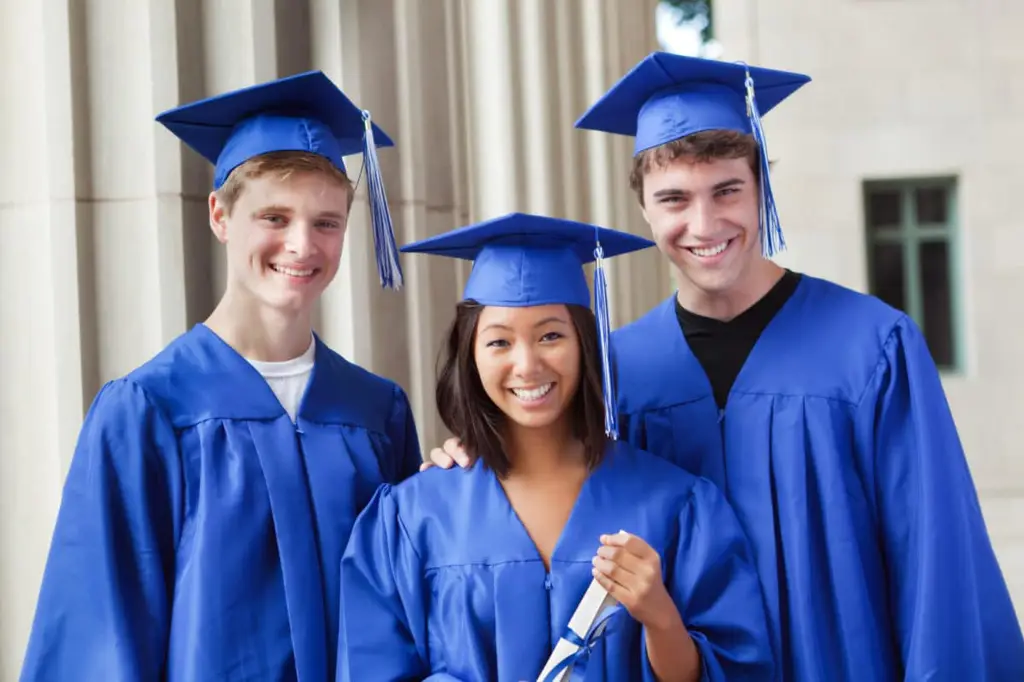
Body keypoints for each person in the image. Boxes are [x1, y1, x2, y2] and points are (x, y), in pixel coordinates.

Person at [431, 53, 1024, 680]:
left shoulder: (872, 347)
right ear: (644, 209)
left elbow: (936, 561)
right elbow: (546, 497)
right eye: (674, 199)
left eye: (727, 190)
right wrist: (471, 453)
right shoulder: (614, 371)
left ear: (762, 184)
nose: (704, 223)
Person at [20, 71, 421, 682]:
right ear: (220, 215)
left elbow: (413, 608)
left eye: (326, 222)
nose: (301, 245)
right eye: (275, 217)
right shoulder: (149, 409)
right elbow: (98, 633)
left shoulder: (377, 412)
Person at [337, 212, 774, 682]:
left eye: (551, 335)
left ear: (586, 343)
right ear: (470, 356)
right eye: (499, 342)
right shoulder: (412, 517)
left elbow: (736, 670)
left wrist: (660, 616)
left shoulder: (676, 504)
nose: (527, 365)